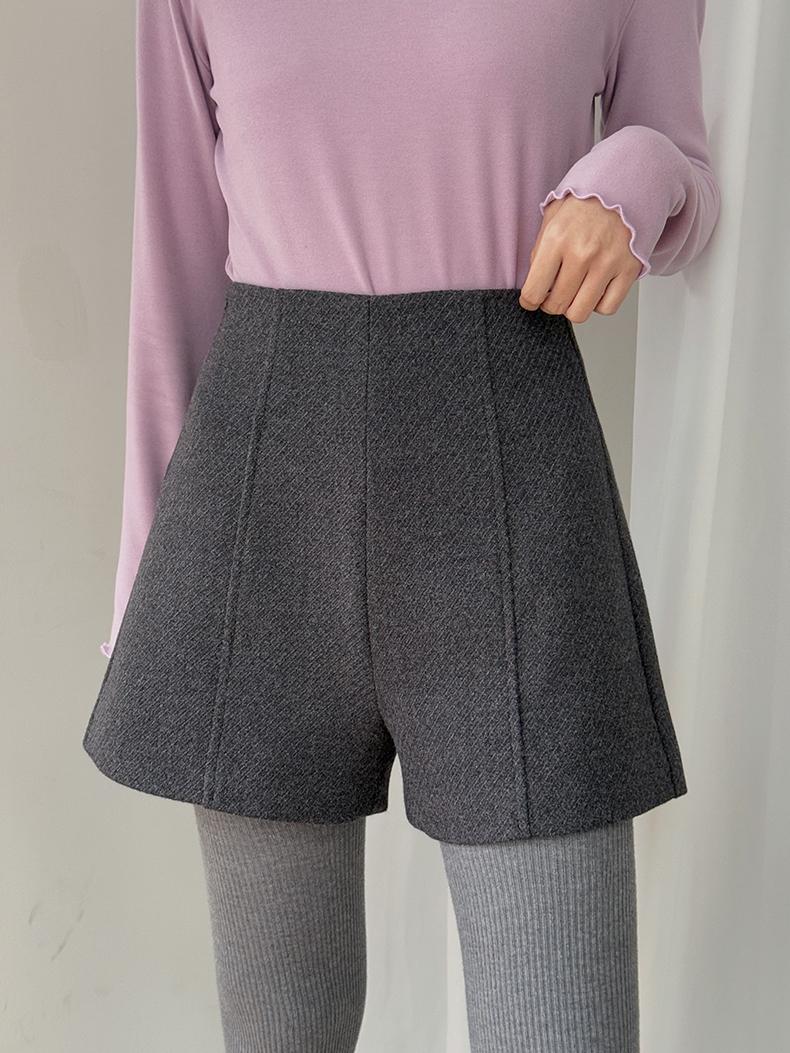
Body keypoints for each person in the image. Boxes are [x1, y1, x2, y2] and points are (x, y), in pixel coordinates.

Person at [82, 0, 721, 1049]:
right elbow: (176, 262)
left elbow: (684, 164)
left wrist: (636, 175)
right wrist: (146, 589)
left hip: (513, 492)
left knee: (564, 1025)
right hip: (259, 509)